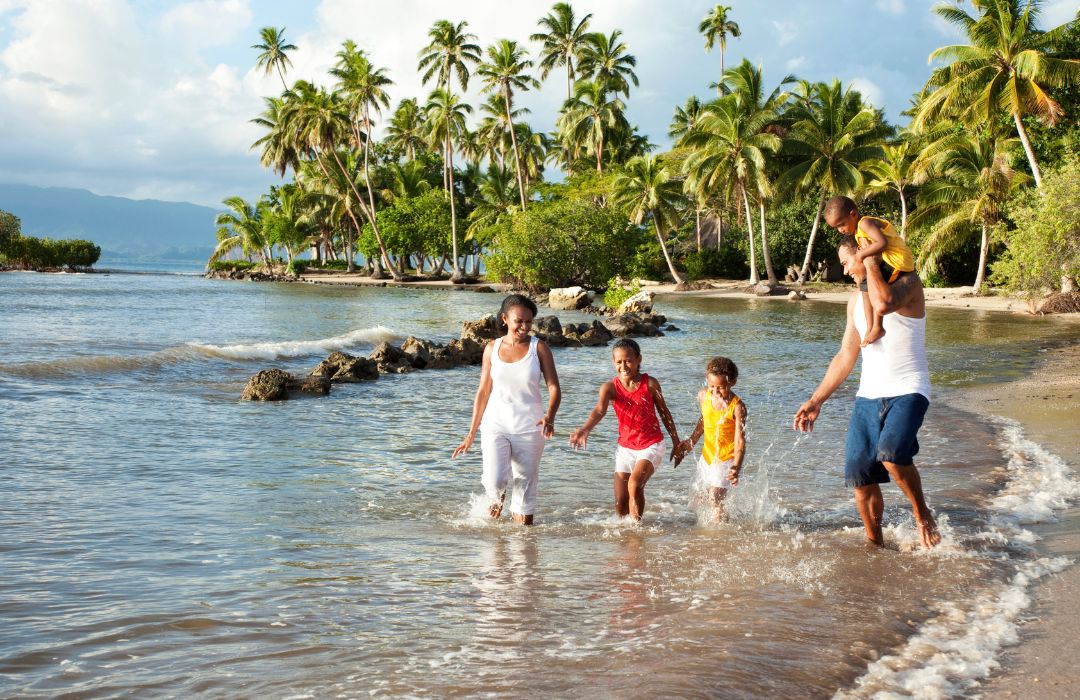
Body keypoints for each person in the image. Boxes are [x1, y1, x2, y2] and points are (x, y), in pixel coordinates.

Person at [793, 238, 941, 550]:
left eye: (847, 260)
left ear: (866, 253)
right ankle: (875, 547)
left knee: (891, 454)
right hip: (868, 395)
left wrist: (871, 261)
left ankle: (922, 513)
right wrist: (816, 399)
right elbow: (846, 355)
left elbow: (883, 302)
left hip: (909, 388)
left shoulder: (908, 284)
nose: (845, 269)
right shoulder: (853, 302)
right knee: (860, 474)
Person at [453, 294, 561, 526]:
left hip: (530, 427)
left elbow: (554, 387)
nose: (524, 326)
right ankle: (498, 500)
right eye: (519, 321)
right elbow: (483, 392)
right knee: (495, 481)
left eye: (529, 322)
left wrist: (550, 416)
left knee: (525, 487)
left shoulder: (539, 349)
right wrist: (471, 433)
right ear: (504, 319)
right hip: (495, 424)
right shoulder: (491, 348)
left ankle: (523, 545)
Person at [569, 338, 682, 521]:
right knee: (621, 502)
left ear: (639, 360)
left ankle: (636, 532)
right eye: (619, 361)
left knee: (635, 484)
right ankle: (624, 537)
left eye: (628, 360)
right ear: (614, 362)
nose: (624, 365)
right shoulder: (610, 388)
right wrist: (585, 428)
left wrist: (676, 442)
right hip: (626, 448)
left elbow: (664, 413)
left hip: (651, 444)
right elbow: (599, 410)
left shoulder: (650, 384)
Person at [824, 195, 915, 347]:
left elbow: (882, 242)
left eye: (842, 224)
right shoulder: (858, 229)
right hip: (889, 259)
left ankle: (878, 327)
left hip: (896, 260)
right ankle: (870, 326)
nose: (840, 230)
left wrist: (862, 254)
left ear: (853, 214)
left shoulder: (865, 223)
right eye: (837, 228)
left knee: (873, 288)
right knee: (865, 287)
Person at [673, 357, 747, 519]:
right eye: (711, 386)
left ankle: (719, 535)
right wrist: (692, 441)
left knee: (715, 497)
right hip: (707, 457)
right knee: (700, 497)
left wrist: (737, 466)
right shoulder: (703, 396)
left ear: (732, 382)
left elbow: (740, 440)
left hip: (727, 459)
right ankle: (711, 530)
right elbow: (704, 420)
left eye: (721, 387)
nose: (715, 392)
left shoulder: (737, 407)